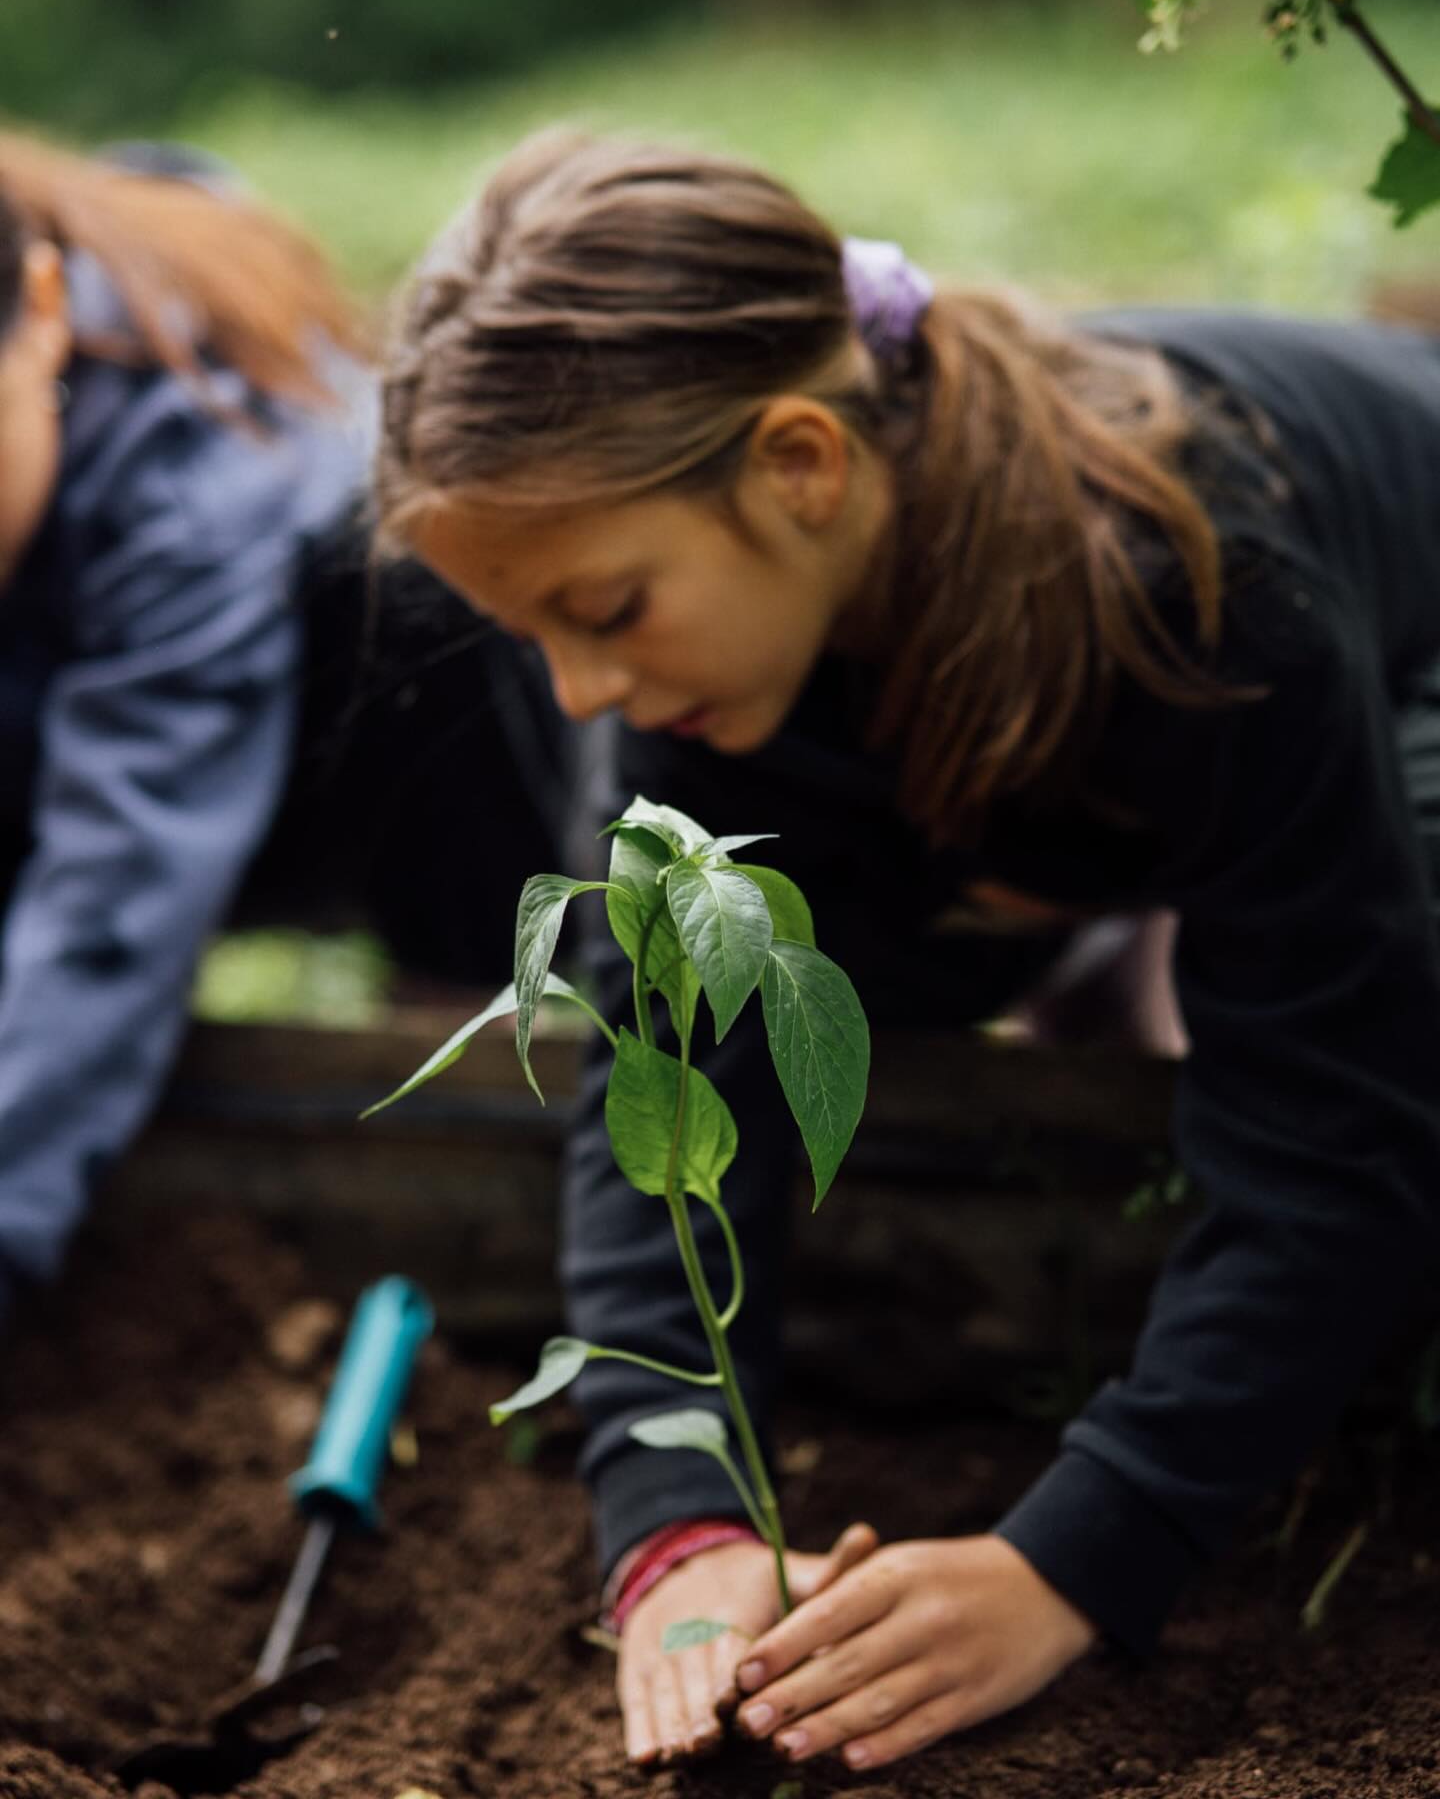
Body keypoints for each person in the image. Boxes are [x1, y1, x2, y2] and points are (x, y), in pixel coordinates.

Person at [374, 129, 1440, 1774]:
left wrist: (1074, 1558)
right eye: (534, 638)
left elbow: (1332, 1134)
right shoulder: (693, 667)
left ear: (801, 464)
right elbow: (661, 1092)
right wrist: (677, 1518)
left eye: (606, 609)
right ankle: (1089, 932)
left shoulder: (1207, 592)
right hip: (1007, 733)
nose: (577, 696)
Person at [0, 130, 563, 1337]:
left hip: (313, 772)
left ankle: (458, 1082)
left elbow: (115, 895)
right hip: (70, 751)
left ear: (40, 309)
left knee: (429, 610)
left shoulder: (195, 456)